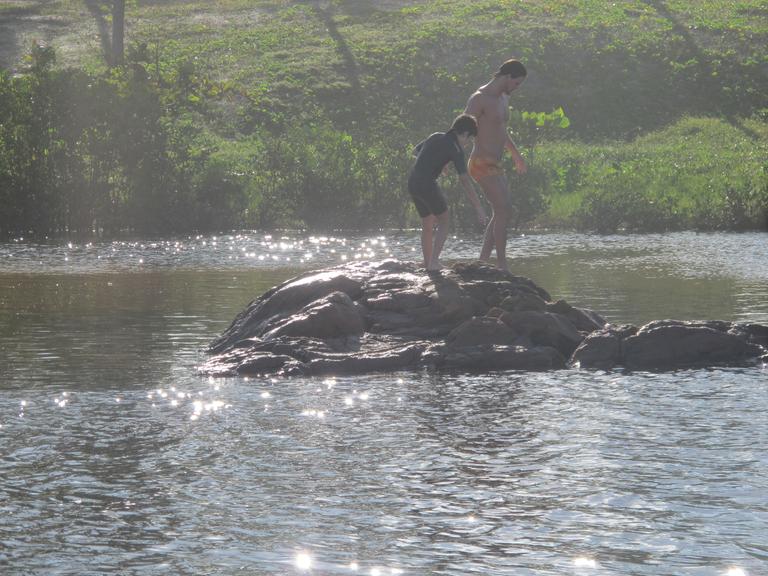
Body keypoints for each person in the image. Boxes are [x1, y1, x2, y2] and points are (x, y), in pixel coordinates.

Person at [464, 59, 528, 271]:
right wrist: (448, 157)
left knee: (503, 210)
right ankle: (502, 264)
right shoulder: (479, 98)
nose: (516, 89)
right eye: (516, 84)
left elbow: (501, 130)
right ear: (507, 76)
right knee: (503, 209)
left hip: (496, 162)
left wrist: (516, 155)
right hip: (480, 161)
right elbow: (461, 129)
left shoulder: (503, 98)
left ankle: (482, 261)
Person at [408, 114, 487, 271]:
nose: (467, 144)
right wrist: (478, 208)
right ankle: (434, 262)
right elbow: (465, 180)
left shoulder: (436, 136)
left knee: (428, 221)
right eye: (469, 139)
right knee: (444, 220)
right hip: (427, 184)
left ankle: (427, 262)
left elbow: (415, 152)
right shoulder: (455, 149)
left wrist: (440, 162)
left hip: (413, 183)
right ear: (464, 134)